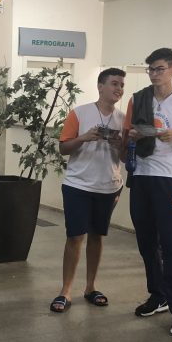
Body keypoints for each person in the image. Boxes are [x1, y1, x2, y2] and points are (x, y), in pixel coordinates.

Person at [124, 48, 172, 337]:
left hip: (169, 179)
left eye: (159, 69)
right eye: (151, 69)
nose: (154, 74)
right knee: (146, 243)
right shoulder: (138, 99)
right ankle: (158, 295)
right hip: (141, 176)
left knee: (171, 246)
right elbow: (126, 137)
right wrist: (132, 137)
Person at [50, 68, 126, 312]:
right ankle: (65, 291)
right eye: (114, 83)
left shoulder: (123, 119)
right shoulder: (79, 113)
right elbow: (63, 148)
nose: (119, 89)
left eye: (121, 85)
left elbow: (126, 157)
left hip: (109, 186)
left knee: (97, 236)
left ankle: (91, 287)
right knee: (75, 236)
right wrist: (83, 137)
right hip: (78, 184)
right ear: (100, 86)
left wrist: (119, 144)